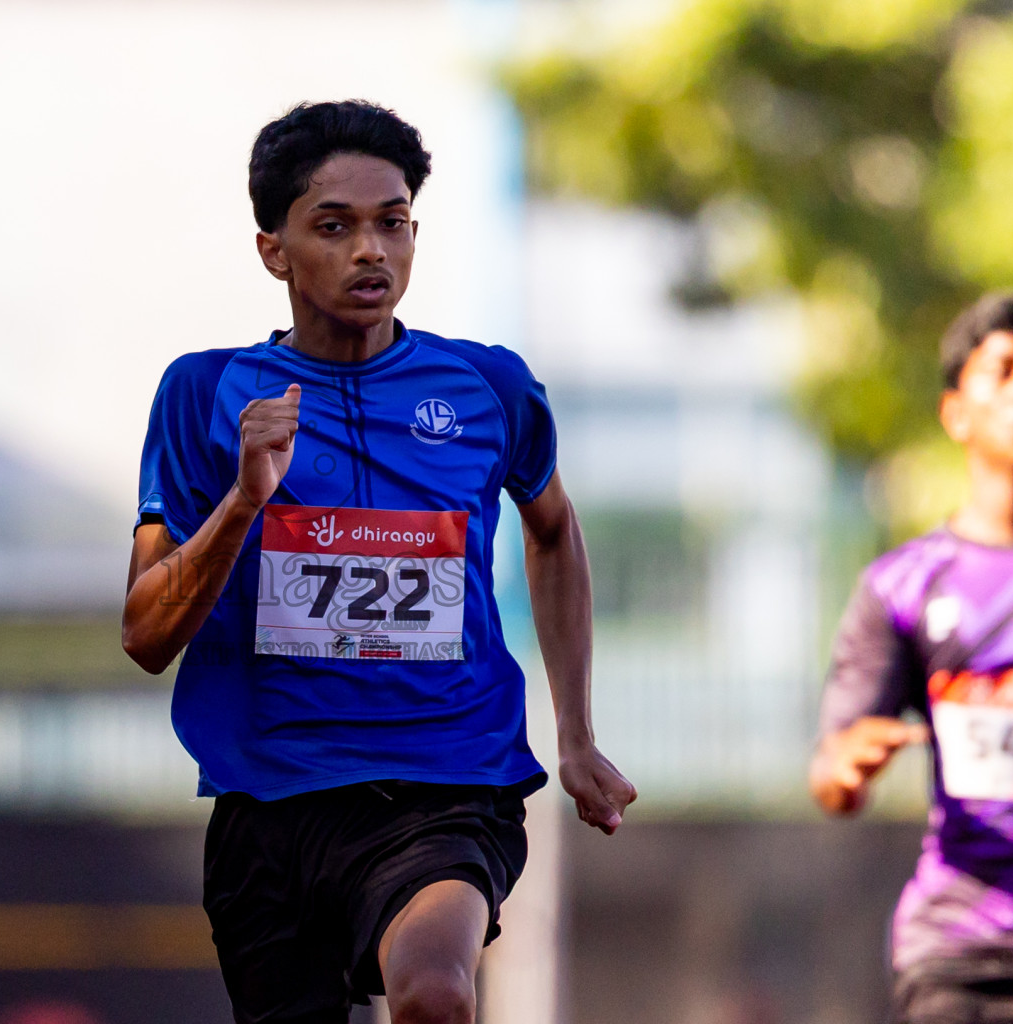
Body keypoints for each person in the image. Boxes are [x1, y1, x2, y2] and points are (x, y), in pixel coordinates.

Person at [123, 100, 635, 1024]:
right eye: (335, 226)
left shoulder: (488, 387)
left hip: (445, 783)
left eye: (392, 223)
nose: (372, 251)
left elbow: (553, 528)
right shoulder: (205, 394)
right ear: (273, 250)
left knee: (437, 996)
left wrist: (576, 733)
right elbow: (145, 634)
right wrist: (244, 501)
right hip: (270, 802)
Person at [811, 292, 1013, 1023]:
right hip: (957, 947)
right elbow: (832, 779)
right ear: (955, 411)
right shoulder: (901, 584)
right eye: (1006, 370)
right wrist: (846, 766)